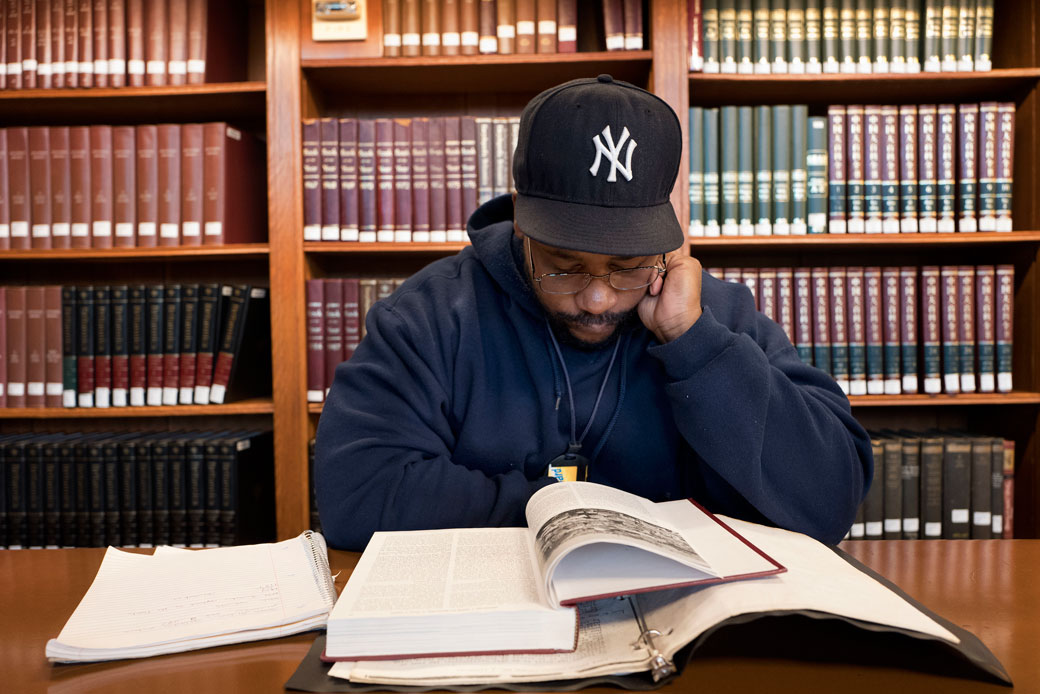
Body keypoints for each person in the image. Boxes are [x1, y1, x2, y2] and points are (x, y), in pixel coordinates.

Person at [315, 75, 873, 551]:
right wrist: (564, 513)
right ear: (520, 224)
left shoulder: (714, 316)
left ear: (665, 240)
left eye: (627, 266)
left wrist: (693, 343)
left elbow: (827, 500)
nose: (598, 298)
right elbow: (358, 494)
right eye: (564, 265)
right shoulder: (432, 313)